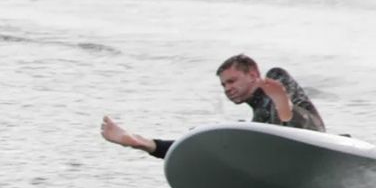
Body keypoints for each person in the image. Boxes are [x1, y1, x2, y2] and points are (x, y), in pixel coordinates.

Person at [101, 54, 325, 159]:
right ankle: (142, 143)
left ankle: (284, 112)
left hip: (313, 139)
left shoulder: (275, 79)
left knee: (276, 81)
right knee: (210, 138)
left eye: (232, 81)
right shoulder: (258, 119)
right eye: (223, 85)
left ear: (253, 75)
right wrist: (142, 143)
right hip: (278, 148)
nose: (227, 88)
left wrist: (281, 106)